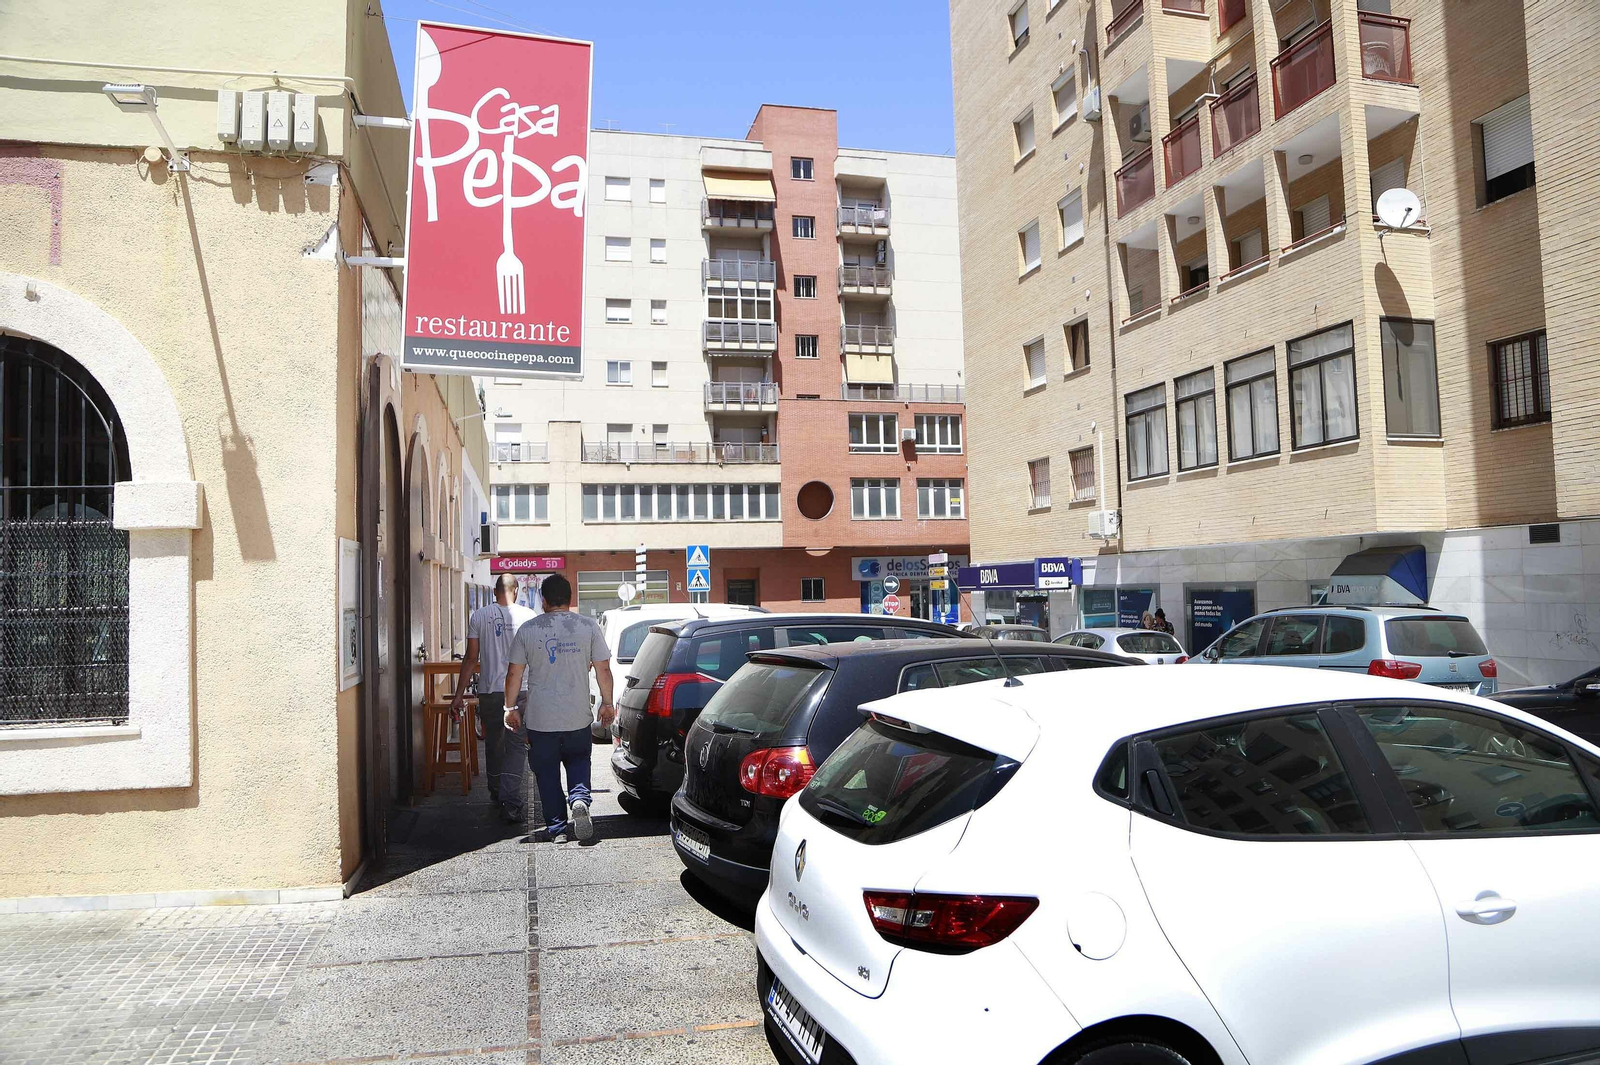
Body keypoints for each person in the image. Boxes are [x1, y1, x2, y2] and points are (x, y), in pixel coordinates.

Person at [502, 574, 614, 843]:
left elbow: (514, 674)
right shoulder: (588, 627)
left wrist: (510, 707)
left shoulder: (528, 630)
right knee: (579, 761)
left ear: (543, 600)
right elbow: (603, 669)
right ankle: (579, 799)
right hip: (577, 717)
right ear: (570, 598)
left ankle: (558, 829)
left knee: (547, 774)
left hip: (541, 721)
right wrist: (607, 703)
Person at [451, 574, 536, 823]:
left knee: (494, 743)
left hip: (489, 691)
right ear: (516, 591)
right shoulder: (529, 616)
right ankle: (510, 801)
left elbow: (471, 658)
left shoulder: (479, 616)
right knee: (516, 746)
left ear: (494, 592)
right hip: (520, 690)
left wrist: (458, 695)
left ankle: (497, 790)